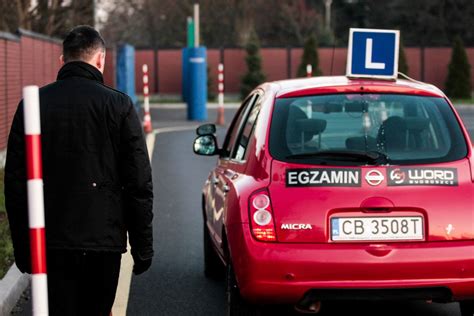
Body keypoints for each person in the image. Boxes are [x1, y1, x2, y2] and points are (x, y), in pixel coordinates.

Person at [4, 25, 154, 316]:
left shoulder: (33, 106)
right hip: (104, 242)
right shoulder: (119, 106)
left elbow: (16, 185)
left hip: (51, 242)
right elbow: (138, 184)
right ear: (100, 59)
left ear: (63, 61)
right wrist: (142, 248)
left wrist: (25, 251)